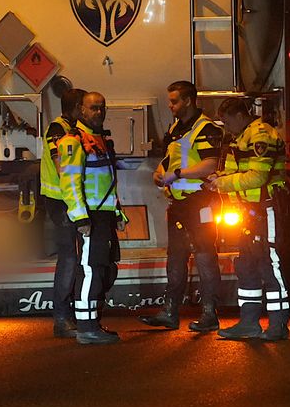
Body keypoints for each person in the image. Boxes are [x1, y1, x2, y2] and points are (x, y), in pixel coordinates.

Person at [202, 97, 290, 341]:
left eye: (228, 121)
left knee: (269, 265)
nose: (226, 127)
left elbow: (257, 177)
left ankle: (278, 325)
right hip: (247, 212)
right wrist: (218, 178)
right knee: (247, 266)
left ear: (240, 116)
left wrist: (222, 183)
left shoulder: (260, 135)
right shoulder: (240, 137)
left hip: (265, 209)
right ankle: (249, 322)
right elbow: (236, 172)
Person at [140, 80, 223, 332]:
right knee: (175, 257)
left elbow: (210, 165)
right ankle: (169, 311)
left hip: (200, 201)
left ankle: (209, 314)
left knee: (205, 256)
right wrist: (159, 172)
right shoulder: (176, 128)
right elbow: (168, 158)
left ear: (188, 100)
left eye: (174, 101)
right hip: (178, 203)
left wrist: (177, 174)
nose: (171, 105)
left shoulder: (207, 128)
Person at [58, 91, 126, 345]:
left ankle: (93, 322)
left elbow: (109, 181)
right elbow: (71, 183)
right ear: (81, 110)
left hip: (104, 216)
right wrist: (80, 219)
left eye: (102, 107)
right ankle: (86, 327)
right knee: (89, 271)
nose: (99, 112)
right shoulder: (72, 141)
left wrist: (117, 212)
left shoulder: (101, 140)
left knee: (103, 270)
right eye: (94, 108)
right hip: (89, 217)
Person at [40, 87, 87, 338]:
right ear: (79, 107)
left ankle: (70, 314)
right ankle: (61, 318)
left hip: (67, 199)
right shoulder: (58, 129)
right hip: (61, 200)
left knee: (75, 258)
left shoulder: (70, 129)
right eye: (88, 106)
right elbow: (63, 168)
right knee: (69, 257)